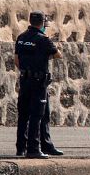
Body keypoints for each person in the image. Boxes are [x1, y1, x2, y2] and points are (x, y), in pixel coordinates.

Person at [15, 11, 64, 159]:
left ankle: (22, 147)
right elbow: (58, 55)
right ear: (43, 23)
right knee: (37, 115)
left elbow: (17, 61)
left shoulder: (21, 38)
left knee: (24, 115)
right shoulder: (43, 39)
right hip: (38, 82)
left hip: (25, 80)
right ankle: (33, 149)